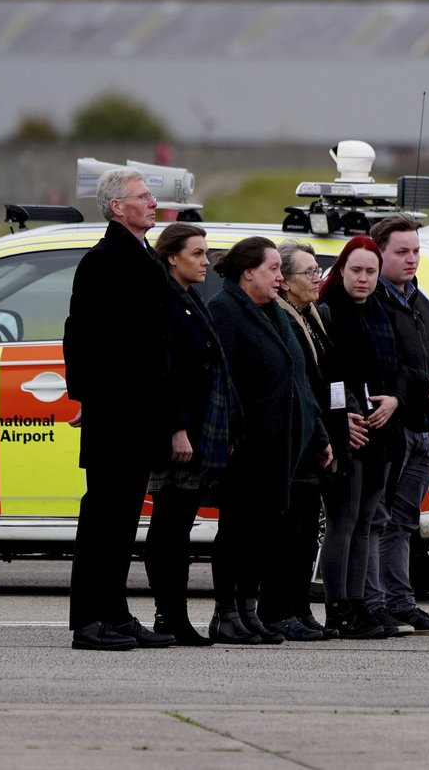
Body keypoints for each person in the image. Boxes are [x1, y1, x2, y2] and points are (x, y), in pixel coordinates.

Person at [62, 168, 177, 651]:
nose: (153, 203)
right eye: (143, 197)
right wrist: (89, 397)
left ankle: (115, 613)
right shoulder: (105, 260)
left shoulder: (142, 256)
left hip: (139, 413)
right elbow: (81, 336)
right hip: (116, 414)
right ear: (116, 207)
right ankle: (89, 622)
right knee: (104, 521)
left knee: (123, 521)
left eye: (151, 196)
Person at [207, 237, 332, 644]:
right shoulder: (225, 312)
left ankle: (248, 610)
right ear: (248, 272)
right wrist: (233, 432)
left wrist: (317, 434)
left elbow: (299, 381)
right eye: (273, 269)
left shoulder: (273, 314)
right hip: (247, 446)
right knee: (237, 534)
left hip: (283, 446)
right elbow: (222, 383)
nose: (280, 277)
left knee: (260, 534)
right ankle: (226, 614)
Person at [143, 222, 241, 647]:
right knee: (169, 528)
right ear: (171, 257)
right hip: (178, 432)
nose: (206, 262)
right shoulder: (163, 300)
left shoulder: (189, 298)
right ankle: (170, 615)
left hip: (201, 427)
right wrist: (177, 429)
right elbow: (166, 373)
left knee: (177, 526)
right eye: (197, 254)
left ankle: (173, 616)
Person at [364, 214, 429, 637]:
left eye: (416, 251)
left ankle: (402, 603)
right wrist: (427, 385)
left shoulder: (421, 302)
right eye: (402, 251)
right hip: (392, 429)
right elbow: (388, 369)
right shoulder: (373, 303)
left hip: (424, 429)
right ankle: (376, 604)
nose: (412, 259)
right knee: (379, 519)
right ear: (378, 252)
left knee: (405, 523)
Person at [317, 234, 404, 639]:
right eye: (356, 270)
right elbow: (329, 374)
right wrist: (343, 416)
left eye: (371, 271)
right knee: (344, 520)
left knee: (367, 520)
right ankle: (339, 608)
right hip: (348, 430)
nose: (364, 279)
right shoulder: (329, 310)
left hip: (382, 430)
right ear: (341, 270)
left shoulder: (381, 310)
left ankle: (360, 605)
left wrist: (395, 400)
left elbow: (399, 365)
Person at [270, 240, 354, 640]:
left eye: (317, 270)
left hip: (323, 436)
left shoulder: (315, 315)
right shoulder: (283, 319)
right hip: (302, 439)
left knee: (307, 532)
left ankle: (300, 608)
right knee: (291, 531)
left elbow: (330, 377)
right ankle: (280, 610)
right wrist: (323, 434)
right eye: (308, 272)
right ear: (284, 282)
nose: (317, 277)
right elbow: (300, 384)